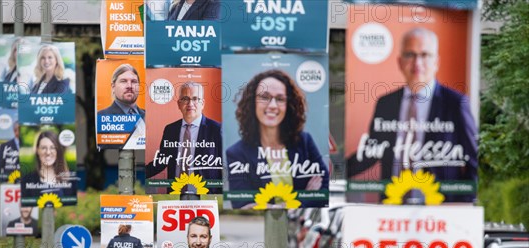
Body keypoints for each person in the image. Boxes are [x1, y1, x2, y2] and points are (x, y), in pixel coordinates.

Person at [347, 27, 478, 203]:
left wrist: (463, 203)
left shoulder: (456, 103)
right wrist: (334, 172)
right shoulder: (386, 103)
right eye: (410, 55)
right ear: (400, 62)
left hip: (441, 213)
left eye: (425, 55)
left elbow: (473, 160)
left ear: (436, 62)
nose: (417, 63)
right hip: (391, 208)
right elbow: (372, 153)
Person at [225, 69, 329, 208]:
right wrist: (301, 199)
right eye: (264, 97)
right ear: (252, 103)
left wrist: (268, 206)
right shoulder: (237, 154)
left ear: (288, 105)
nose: (273, 105)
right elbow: (242, 204)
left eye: (280, 99)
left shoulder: (304, 142)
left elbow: (324, 191)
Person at [146, 82, 222, 192]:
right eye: (185, 99)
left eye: (195, 99)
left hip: (207, 197)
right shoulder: (170, 130)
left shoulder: (216, 130)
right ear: (179, 104)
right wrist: (138, 174)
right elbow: (160, 163)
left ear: (203, 104)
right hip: (175, 195)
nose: (190, 103)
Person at [22, 130, 74, 197]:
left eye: (52, 148)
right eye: (43, 148)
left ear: (58, 150)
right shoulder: (26, 180)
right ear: (37, 150)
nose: (48, 152)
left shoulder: (71, 179)